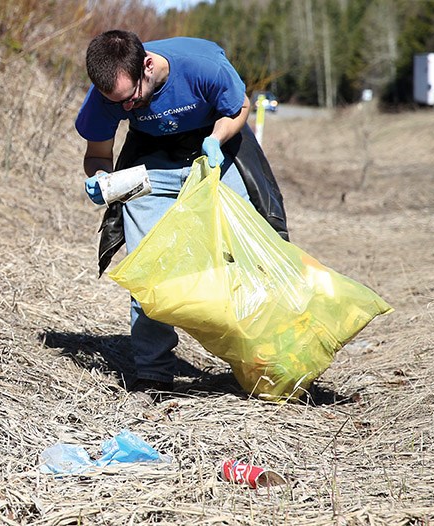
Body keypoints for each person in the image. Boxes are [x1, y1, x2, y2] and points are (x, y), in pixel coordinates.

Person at [75, 30, 290, 400]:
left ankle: (267, 364)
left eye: (132, 98)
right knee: (149, 270)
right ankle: (154, 373)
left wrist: (216, 139)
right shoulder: (109, 92)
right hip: (151, 163)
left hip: (215, 149)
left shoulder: (201, 65)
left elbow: (238, 107)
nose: (126, 108)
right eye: (117, 103)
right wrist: (99, 178)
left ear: (147, 65)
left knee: (250, 256)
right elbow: (97, 153)